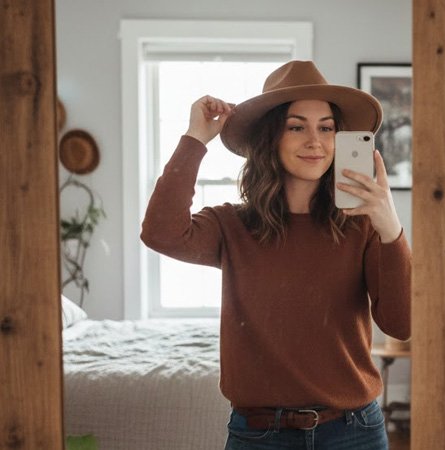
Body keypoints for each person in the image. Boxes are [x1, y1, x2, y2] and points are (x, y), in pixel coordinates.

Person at [140, 60, 411, 450]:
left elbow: (402, 325)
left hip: (354, 431)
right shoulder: (231, 225)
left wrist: (391, 228)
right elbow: (160, 233)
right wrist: (195, 139)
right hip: (259, 435)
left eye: (326, 128)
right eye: (297, 127)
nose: (315, 141)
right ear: (270, 138)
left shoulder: (363, 226)